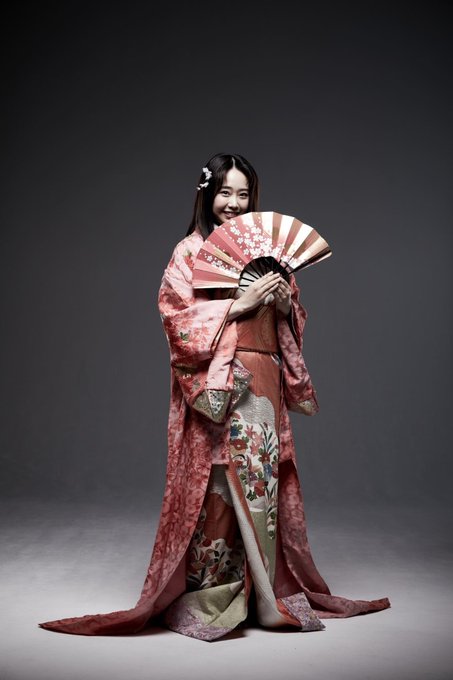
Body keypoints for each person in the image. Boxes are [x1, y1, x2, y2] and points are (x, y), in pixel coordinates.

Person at [39, 153, 390, 640]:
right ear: (207, 195)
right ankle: (217, 592)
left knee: (261, 482)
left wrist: (284, 306)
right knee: (219, 486)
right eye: (225, 192)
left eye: (243, 194)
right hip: (220, 383)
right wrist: (239, 304)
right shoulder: (189, 253)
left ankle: (264, 595)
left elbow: (292, 326)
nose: (234, 203)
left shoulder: (267, 255)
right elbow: (177, 321)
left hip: (263, 380)